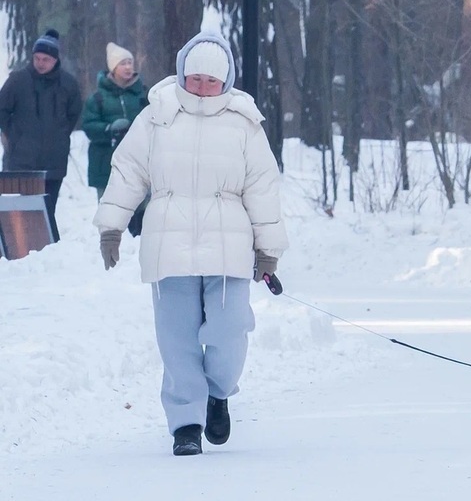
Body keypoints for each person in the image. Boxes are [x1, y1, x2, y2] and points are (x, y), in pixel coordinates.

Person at [92, 31, 288, 456]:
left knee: (229, 329)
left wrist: (267, 250)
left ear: (226, 82)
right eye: (195, 77)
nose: (201, 86)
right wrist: (112, 225)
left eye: (210, 80)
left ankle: (217, 394)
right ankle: (185, 423)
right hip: (169, 244)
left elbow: (263, 188)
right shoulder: (157, 115)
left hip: (229, 247)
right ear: (182, 74)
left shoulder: (244, 123)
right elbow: (128, 171)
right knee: (177, 338)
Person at [0, 29, 83, 240]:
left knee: (47, 209)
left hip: (53, 161)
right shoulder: (18, 80)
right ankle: (14, 247)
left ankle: (43, 249)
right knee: (17, 211)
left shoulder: (68, 84)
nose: (40, 63)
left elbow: (73, 114)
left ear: (55, 59)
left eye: (46, 59)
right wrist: (12, 133)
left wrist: (60, 135)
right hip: (20, 161)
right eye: (37, 58)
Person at [81, 42, 149, 236]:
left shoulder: (144, 94)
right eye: (123, 63)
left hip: (139, 161)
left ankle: (138, 240)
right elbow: (89, 126)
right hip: (106, 162)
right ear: (113, 67)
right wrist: (109, 129)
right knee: (110, 207)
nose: (128, 67)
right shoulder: (98, 98)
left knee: (142, 206)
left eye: (130, 62)